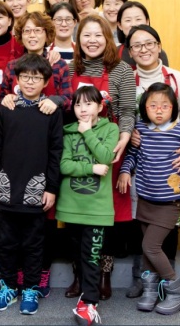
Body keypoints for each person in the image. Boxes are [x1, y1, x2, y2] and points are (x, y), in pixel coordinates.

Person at [117, 82, 180, 315]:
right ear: (145, 108)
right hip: (145, 200)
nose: (159, 110)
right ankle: (150, 291)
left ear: (173, 108)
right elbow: (132, 157)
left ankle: (176, 291)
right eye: (153, 106)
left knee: (150, 246)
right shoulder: (141, 130)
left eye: (165, 106)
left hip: (169, 203)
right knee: (148, 249)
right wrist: (124, 171)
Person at [0, 11, 71, 298]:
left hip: (47, 141)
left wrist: (53, 101)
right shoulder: (12, 65)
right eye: (27, 30)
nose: (32, 35)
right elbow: (5, 98)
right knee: (14, 224)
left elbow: (68, 97)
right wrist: (5, 96)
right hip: (18, 149)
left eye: (37, 30)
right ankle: (16, 276)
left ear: (47, 34)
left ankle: (40, 273)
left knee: (44, 218)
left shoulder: (59, 65)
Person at [123, 25, 180, 298]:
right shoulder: (124, 78)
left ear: (158, 46)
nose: (143, 49)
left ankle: (167, 282)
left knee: (167, 222)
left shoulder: (178, 79)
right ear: (130, 52)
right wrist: (127, 132)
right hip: (141, 164)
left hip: (172, 164)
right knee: (139, 218)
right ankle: (143, 280)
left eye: (149, 43)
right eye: (137, 46)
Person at [65, 15, 136, 301]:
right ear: (78, 40)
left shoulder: (121, 70)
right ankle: (78, 274)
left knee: (106, 217)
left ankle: (103, 273)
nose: (92, 41)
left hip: (110, 149)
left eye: (98, 35)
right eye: (86, 35)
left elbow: (129, 110)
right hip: (76, 151)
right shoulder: (69, 68)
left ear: (108, 38)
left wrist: (125, 138)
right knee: (76, 214)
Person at [0, 54, 63, 315]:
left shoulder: (50, 111)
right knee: (6, 242)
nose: (30, 82)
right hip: (7, 185)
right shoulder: (7, 108)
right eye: (25, 77)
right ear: (17, 79)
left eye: (36, 78)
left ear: (45, 82)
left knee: (33, 243)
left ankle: (30, 288)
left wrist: (51, 187)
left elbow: (56, 152)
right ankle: (8, 286)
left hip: (37, 188)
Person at [57, 86, 119, 326]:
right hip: (71, 206)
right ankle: (85, 294)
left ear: (100, 107)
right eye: (78, 105)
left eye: (88, 104)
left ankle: (90, 303)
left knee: (92, 256)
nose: (83, 109)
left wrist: (88, 133)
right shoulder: (67, 132)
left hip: (97, 209)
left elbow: (105, 157)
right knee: (77, 255)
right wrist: (89, 168)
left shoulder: (110, 128)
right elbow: (63, 165)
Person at [115, 1, 169, 67]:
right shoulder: (114, 53)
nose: (133, 24)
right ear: (120, 25)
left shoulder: (158, 53)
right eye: (128, 20)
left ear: (147, 22)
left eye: (138, 19)